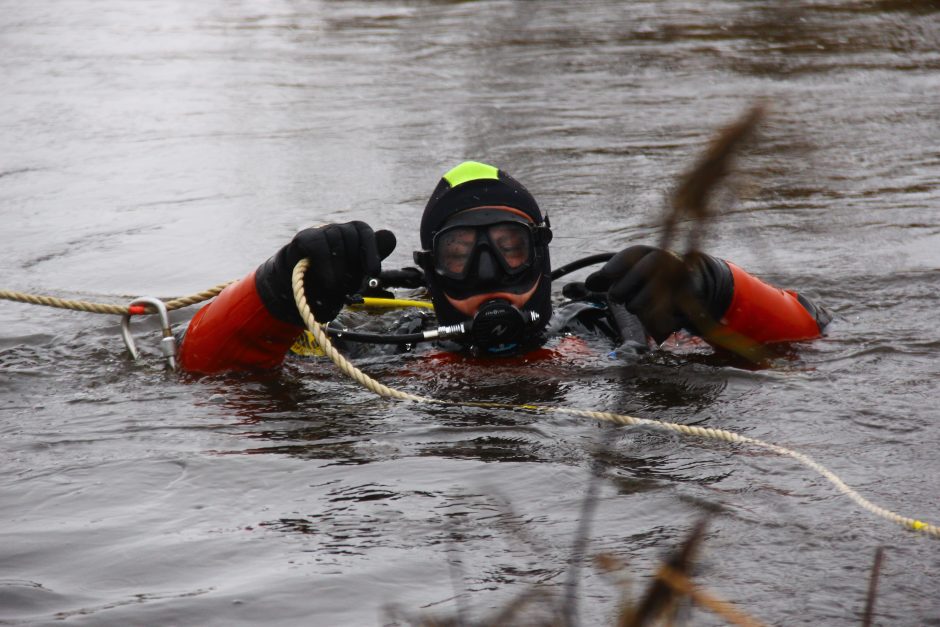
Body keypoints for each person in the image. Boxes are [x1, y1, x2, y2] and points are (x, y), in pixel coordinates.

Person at [178, 161, 830, 374]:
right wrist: (281, 288)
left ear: (541, 257)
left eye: (510, 249)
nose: (491, 271)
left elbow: (805, 337)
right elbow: (198, 365)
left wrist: (710, 288)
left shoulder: (613, 327)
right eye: (464, 254)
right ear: (432, 274)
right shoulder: (377, 354)